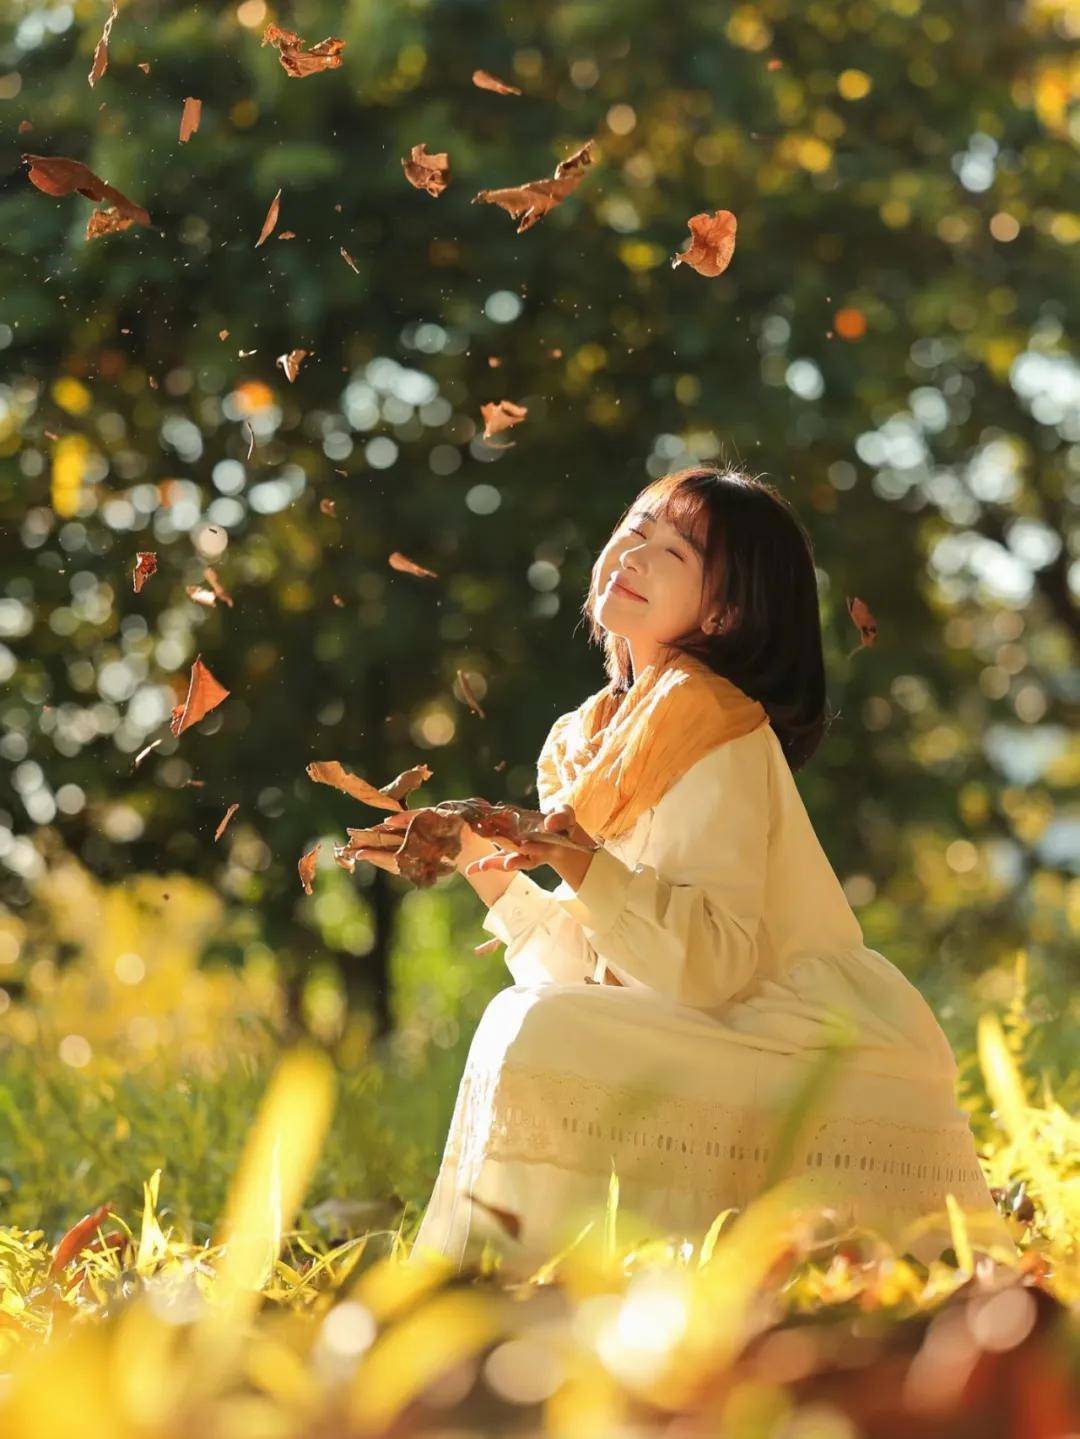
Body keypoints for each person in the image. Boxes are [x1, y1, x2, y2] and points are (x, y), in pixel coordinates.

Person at [383, 464, 1014, 1276]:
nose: (634, 554)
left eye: (672, 550)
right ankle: (499, 1292)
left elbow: (712, 965)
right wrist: (477, 860)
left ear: (722, 610)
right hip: (711, 1022)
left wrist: (577, 856)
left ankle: (508, 1290)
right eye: (634, 530)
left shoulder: (717, 729)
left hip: (800, 1039)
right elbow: (598, 973)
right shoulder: (587, 741)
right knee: (533, 1014)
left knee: (534, 1024)